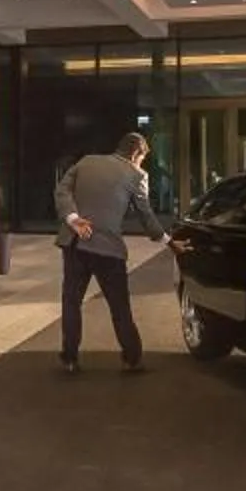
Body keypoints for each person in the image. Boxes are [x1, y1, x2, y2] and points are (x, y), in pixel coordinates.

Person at [54, 131, 164, 375]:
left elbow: (62, 192)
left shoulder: (86, 161)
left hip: (74, 244)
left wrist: (73, 219)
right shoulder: (137, 175)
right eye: (143, 158)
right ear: (136, 153)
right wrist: (166, 239)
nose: (141, 163)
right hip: (108, 250)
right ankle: (132, 359)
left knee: (71, 303)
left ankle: (70, 359)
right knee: (119, 306)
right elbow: (145, 214)